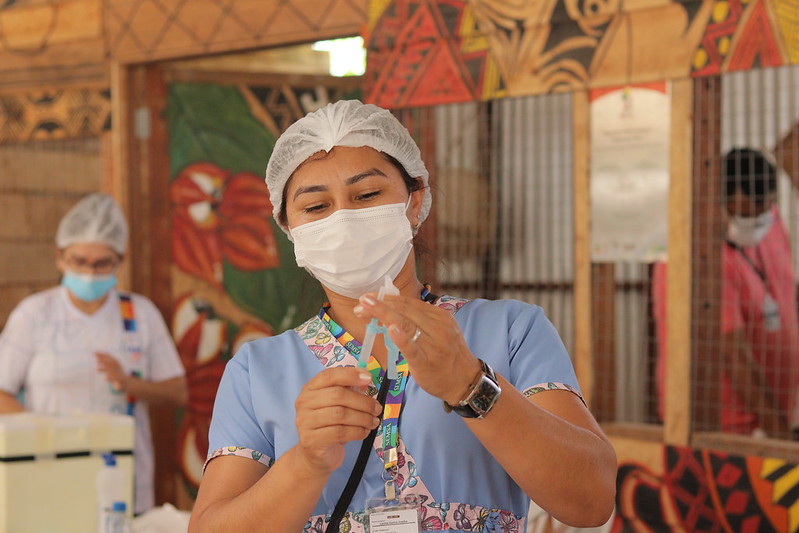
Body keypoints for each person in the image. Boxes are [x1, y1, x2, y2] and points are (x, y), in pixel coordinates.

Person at [189, 100, 617, 533]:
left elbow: (593, 500)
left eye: (367, 195)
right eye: (316, 207)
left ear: (415, 202)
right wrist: (305, 462)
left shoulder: (511, 331)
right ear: (289, 228)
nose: (344, 219)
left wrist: (471, 386)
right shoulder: (255, 371)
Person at [0, 193, 188, 514]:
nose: (89, 272)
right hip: (47, 469)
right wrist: (45, 433)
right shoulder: (34, 314)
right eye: (79, 261)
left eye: (102, 263)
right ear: (60, 257)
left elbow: (178, 393)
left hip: (121, 474)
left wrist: (130, 384)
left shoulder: (139, 314)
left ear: (120, 261)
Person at [653, 148, 799, 438]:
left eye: (767, 206)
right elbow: (735, 358)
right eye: (749, 209)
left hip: (777, 415)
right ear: (719, 201)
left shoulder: (768, 224)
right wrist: (779, 434)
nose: (761, 216)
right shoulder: (695, 257)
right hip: (723, 426)